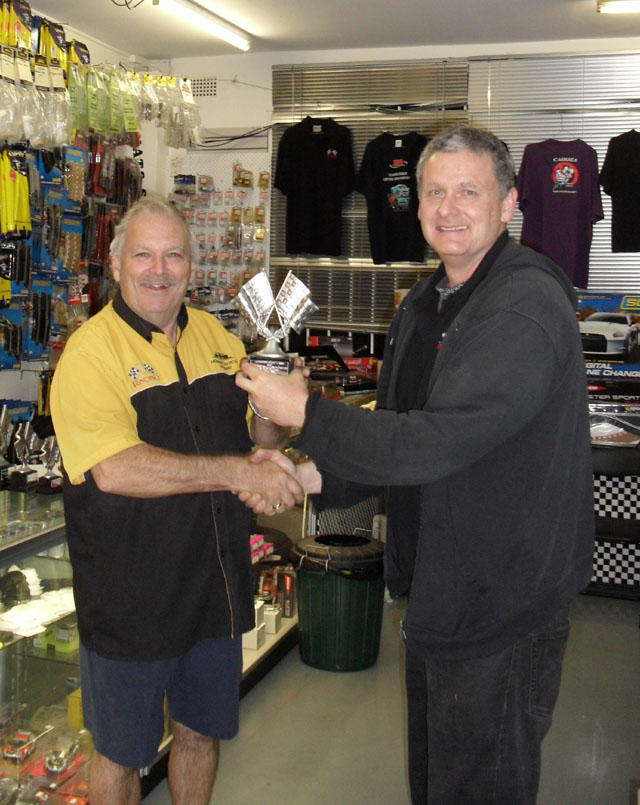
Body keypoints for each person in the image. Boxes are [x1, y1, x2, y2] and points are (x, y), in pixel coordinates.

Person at [236, 125, 595, 804]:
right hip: (443, 591)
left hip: (501, 604)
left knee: (478, 786)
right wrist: (311, 476)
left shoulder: (523, 304)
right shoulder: (427, 304)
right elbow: (400, 432)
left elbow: (435, 441)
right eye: (434, 192)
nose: (448, 208)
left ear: (509, 203)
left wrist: (308, 412)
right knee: (437, 781)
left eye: (468, 191)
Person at [50, 196, 303, 805]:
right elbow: (115, 469)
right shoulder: (90, 353)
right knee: (121, 756)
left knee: (200, 734)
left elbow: (261, 437)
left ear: (192, 266)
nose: (159, 270)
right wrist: (236, 472)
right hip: (131, 602)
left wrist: (277, 402)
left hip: (214, 588)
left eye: (173, 255)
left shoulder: (217, 338)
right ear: (117, 266)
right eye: (143, 255)